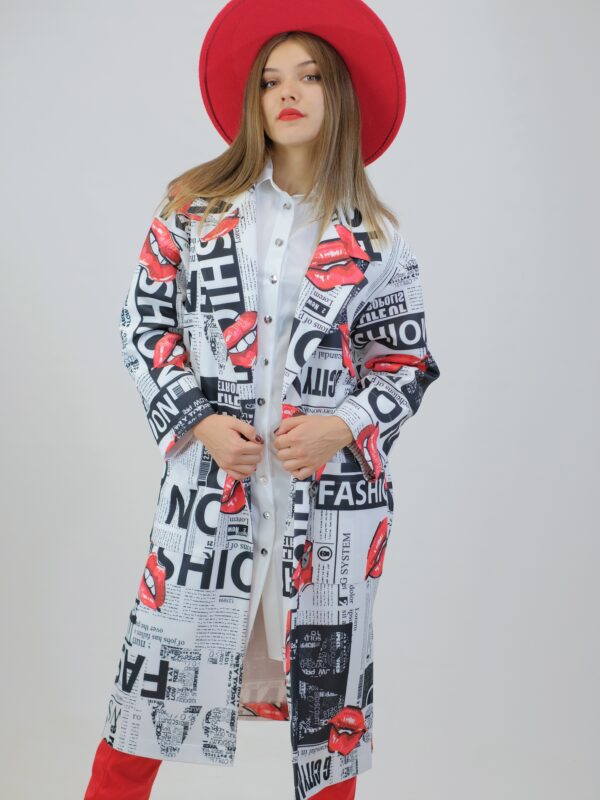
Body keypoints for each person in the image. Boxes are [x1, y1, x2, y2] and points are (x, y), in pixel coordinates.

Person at [83, 2, 441, 798]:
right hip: (209, 498)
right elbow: (143, 323)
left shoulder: (376, 239)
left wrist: (341, 426)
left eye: (309, 76)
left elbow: (406, 362)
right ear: (253, 99)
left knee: (328, 727)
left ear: (338, 93)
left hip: (329, 510)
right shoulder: (193, 208)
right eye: (271, 79)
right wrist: (200, 421)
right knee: (147, 702)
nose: (288, 93)